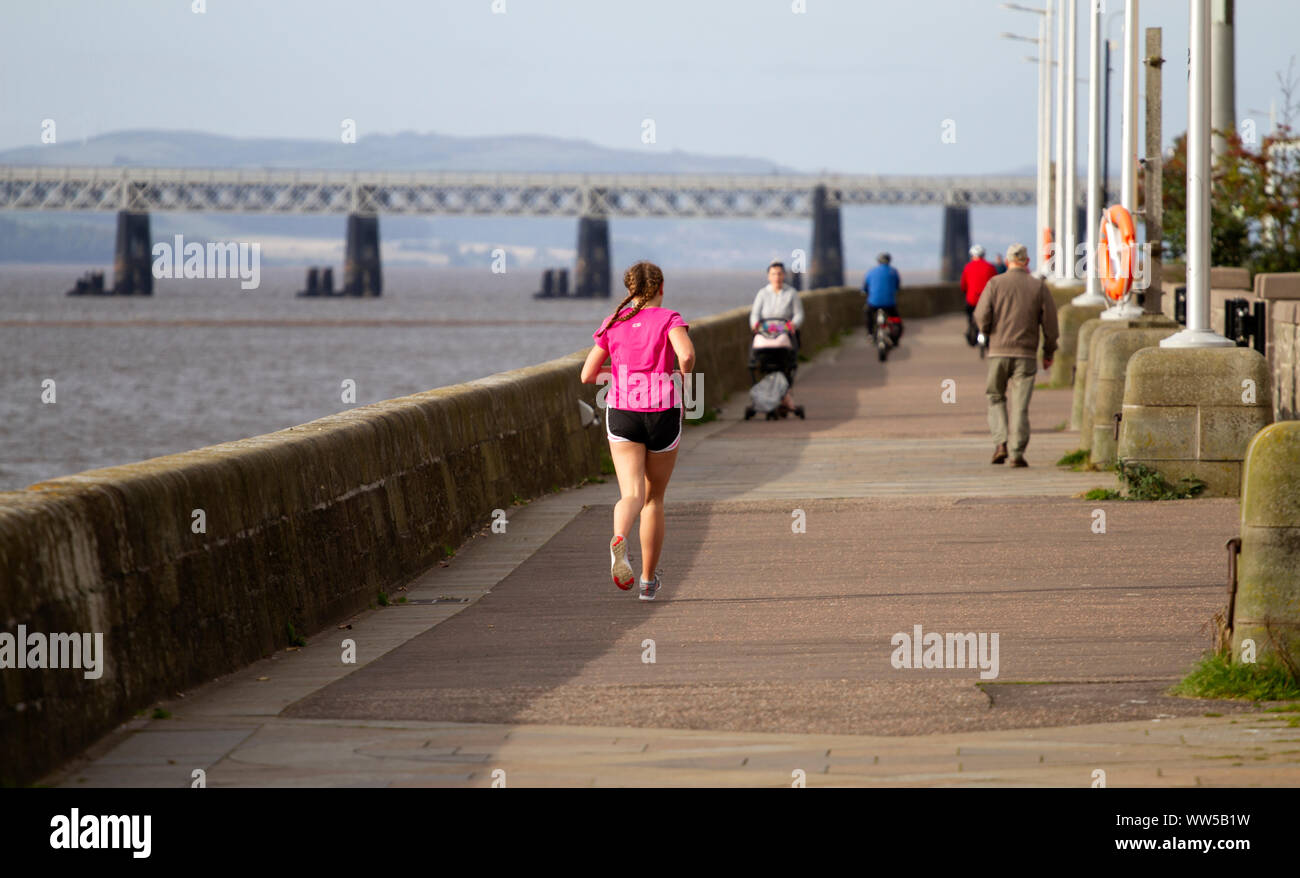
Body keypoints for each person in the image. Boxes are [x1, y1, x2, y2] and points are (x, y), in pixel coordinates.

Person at [581, 262, 695, 601]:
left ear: (630, 289)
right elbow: (686, 355)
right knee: (654, 499)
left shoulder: (614, 321)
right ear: (661, 286)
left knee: (630, 494)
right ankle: (647, 583)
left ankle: (619, 537)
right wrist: (682, 379)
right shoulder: (669, 318)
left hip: (623, 411)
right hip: (662, 411)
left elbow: (587, 375)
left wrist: (619, 373)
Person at [973, 243, 1059, 467]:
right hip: (1026, 354)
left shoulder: (994, 283)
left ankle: (1000, 442)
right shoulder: (1038, 286)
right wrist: (1048, 352)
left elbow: (981, 315)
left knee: (995, 396)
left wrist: (987, 331)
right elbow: (1051, 325)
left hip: (998, 352)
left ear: (1008, 261)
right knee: (1020, 405)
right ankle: (1017, 452)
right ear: (1027, 262)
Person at [749, 261, 804, 411]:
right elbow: (754, 315)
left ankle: (784, 394)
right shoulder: (762, 293)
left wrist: (793, 325)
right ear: (769, 276)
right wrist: (755, 326)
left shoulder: (791, 293)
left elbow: (799, 314)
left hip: (784, 336)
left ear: (784, 275)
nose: (777, 277)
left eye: (779, 274)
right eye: (773, 274)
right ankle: (774, 396)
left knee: (787, 365)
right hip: (765, 336)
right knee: (760, 365)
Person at [960, 244, 998, 346]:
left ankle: (971, 329)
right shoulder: (990, 267)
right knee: (991, 316)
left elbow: (963, 285)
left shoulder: (968, 267)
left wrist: (966, 291)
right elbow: (996, 283)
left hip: (972, 299)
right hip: (987, 300)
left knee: (970, 314)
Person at [862, 251, 902, 337]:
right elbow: (897, 286)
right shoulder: (894, 271)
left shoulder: (871, 271)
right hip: (889, 303)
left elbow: (865, 287)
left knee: (868, 313)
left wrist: (864, 291)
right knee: (895, 318)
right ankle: (896, 337)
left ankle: (870, 333)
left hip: (874, 303)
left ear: (878, 261)